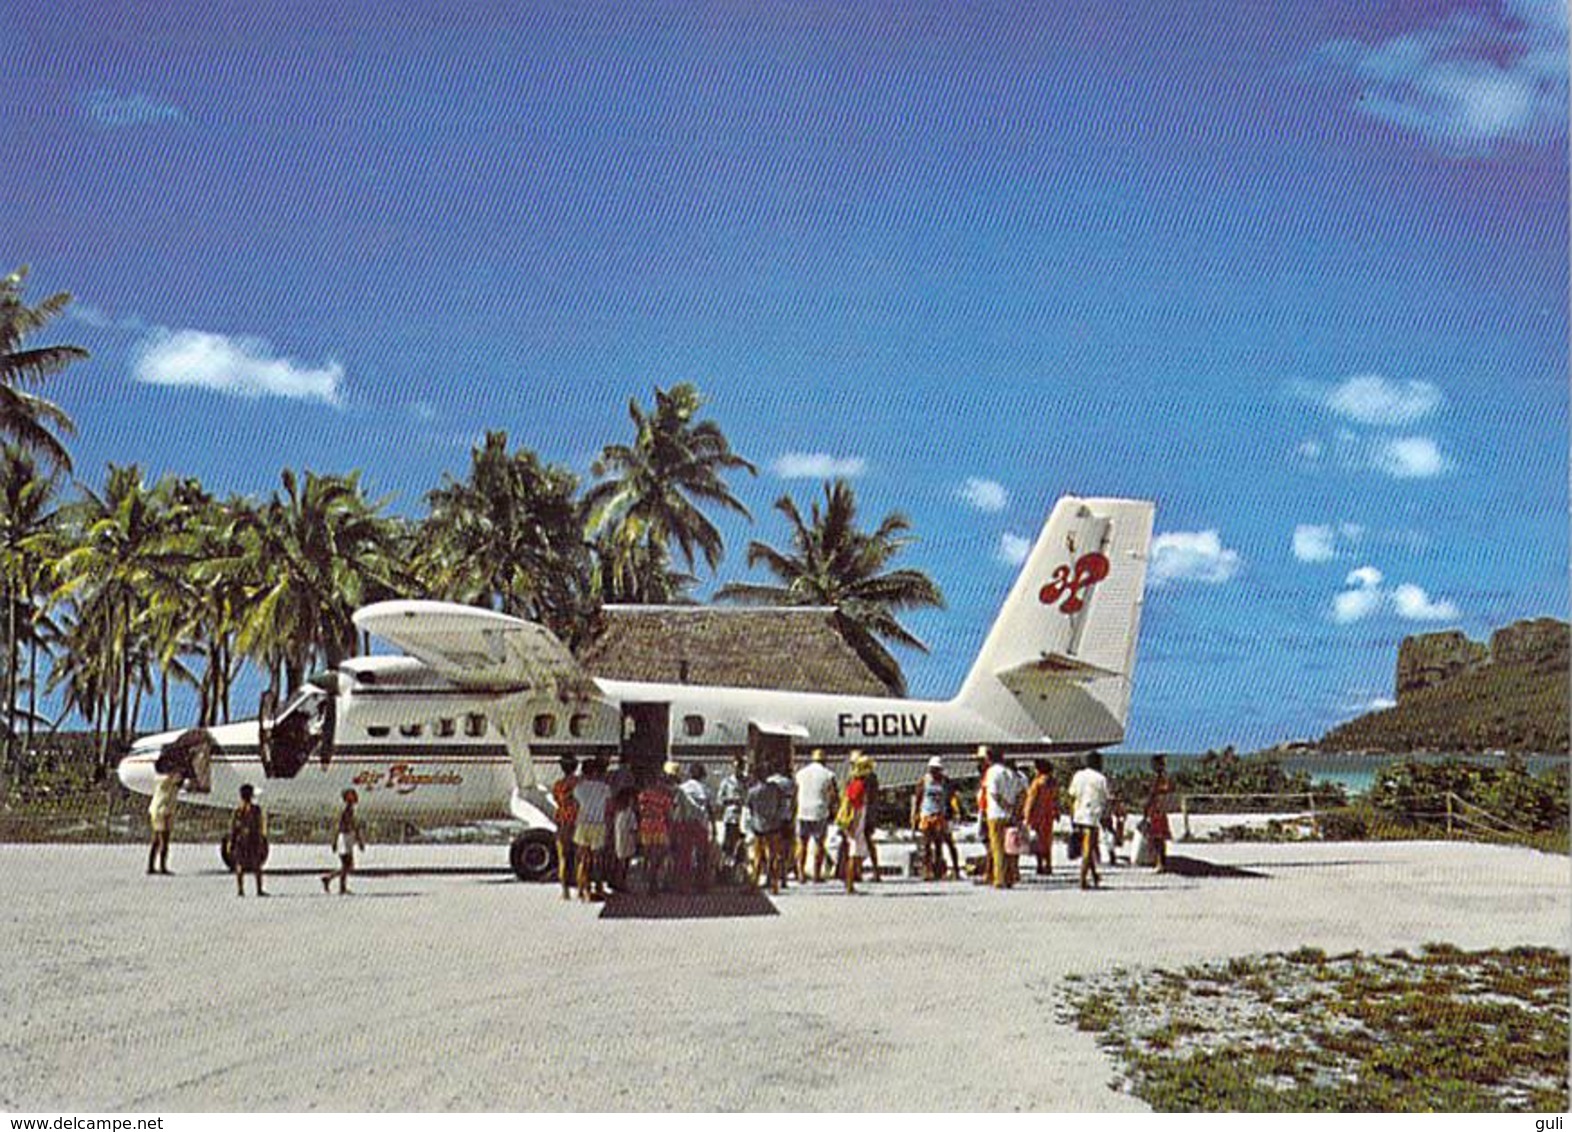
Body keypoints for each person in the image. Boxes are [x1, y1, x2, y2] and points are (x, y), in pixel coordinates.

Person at [794, 749, 839, 882]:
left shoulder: (800, 773)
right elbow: (833, 794)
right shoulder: (828, 774)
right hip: (819, 812)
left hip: (803, 811)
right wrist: (834, 807)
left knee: (802, 843)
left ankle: (801, 873)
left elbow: (796, 791)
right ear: (824, 760)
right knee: (819, 844)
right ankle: (816, 874)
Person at [1067, 752, 1111, 890]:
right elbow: (1106, 798)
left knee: (1088, 848)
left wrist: (1071, 816)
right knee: (1088, 848)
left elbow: (1072, 797)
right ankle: (1082, 879)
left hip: (1078, 815)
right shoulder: (1101, 779)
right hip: (1091, 816)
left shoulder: (1078, 775)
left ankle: (1093, 875)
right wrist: (1106, 817)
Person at [911, 757, 958, 880]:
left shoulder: (945, 781)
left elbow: (951, 796)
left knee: (939, 844)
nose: (934, 772)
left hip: (939, 814)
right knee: (926, 844)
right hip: (926, 814)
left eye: (937, 769)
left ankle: (938, 870)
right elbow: (918, 797)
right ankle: (927, 870)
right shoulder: (924, 781)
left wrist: (953, 811)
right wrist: (915, 814)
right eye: (932, 769)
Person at [746, 763, 790, 894]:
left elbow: (749, 807)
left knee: (758, 856)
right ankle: (775, 884)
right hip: (775, 826)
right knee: (774, 856)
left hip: (759, 826)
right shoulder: (776, 789)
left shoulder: (753, 791)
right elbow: (783, 805)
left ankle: (754, 884)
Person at [983, 748, 1023, 889]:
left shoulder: (992, 772)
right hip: (1009, 815)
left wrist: (1005, 806)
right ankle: (1010, 877)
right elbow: (1020, 793)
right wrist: (1014, 809)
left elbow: (994, 793)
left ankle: (999, 878)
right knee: (1009, 849)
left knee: (997, 848)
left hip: (995, 814)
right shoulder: (1010, 772)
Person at [572, 759, 612, 901]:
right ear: (596, 771)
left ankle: (583, 889)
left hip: (583, 825)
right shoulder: (605, 788)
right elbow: (608, 809)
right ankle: (599, 888)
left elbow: (576, 806)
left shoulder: (578, 788)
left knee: (583, 859)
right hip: (598, 824)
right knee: (597, 860)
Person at [320, 788, 365, 895]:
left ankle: (334, 882)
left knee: (348, 865)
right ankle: (335, 882)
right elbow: (346, 826)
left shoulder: (349, 811)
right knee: (347, 865)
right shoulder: (346, 812)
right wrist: (358, 840)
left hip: (347, 838)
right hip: (345, 839)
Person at [637, 772, 676, 894]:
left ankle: (649, 876)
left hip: (645, 826)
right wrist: (671, 829)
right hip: (659, 826)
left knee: (648, 853)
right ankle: (653, 880)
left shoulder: (643, 795)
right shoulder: (664, 797)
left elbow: (640, 811)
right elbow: (669, 815)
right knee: (659, 853)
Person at [841, 754, 874, 893]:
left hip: (857, 822)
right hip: (856, 822)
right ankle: (849, 884)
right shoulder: (859, 786)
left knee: (857, 853)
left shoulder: (854, 784)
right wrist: (853, 825)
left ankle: (851, 882)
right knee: (853, 854)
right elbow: (855, 807)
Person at [229, 784, 268, 897]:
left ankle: (241, 890)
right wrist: (261, 840)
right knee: (257, 866)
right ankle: (259, 890)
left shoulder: (238, 811)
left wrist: (232, 841)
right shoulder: (256, 810)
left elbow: (234, 827)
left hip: (241, 840)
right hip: (253, 839)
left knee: (240, 865)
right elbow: (259, 826)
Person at [550, 755, 580, 901]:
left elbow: (556, 799)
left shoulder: (558, 785)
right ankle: (581, 888)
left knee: (563, 857)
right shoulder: (580, 783)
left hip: (562, 820)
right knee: (579, 856)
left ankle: (565, 890)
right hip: (577, 821)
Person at [1022, 759, 1058, 876]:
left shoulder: (1037, 783)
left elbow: (1031, 801)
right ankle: (1048, 864)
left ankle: (1039, 865)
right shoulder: (1052, 783)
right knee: (1047, 841)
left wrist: (1027, 816)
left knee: (1038, 841)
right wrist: (1056, 812)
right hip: (1048, 815)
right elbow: (1055, 800)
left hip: (1037, 815)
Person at [765, 762, 797, 891]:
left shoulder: (768, 781)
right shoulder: (789, 782)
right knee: (784, 849)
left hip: (772, 819)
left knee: (770, 850)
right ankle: (783, 878)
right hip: (786, 817)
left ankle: (770, 877)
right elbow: (794, 801)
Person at [716, 755, 750, 875]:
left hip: (744, 818)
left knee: (742, 845)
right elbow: (719, 800)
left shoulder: (747, 782)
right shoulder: (727, 782)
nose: (738, 770)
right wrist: (731, 800)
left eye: (741, 767)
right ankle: (726, 869)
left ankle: (740, 870)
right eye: (736, 767)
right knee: (728, 845)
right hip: (731, 817)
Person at [146, 769, 182, 875]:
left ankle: (151, 866)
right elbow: (176, 780)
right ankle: (162, 866)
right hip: (161, 810)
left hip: (165, 809)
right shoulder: (165, 779)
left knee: (157, 839)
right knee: (163, 839)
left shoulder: (164, 779)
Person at [1144, 755, 1175, 873]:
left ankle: (1160, 863)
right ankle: (1160, 862)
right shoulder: (1162, 777)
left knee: (1158, 838)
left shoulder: (1160, 778)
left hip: (1157, 810)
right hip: (1158, 809)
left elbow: (1158, 791)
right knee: (1158, 838)